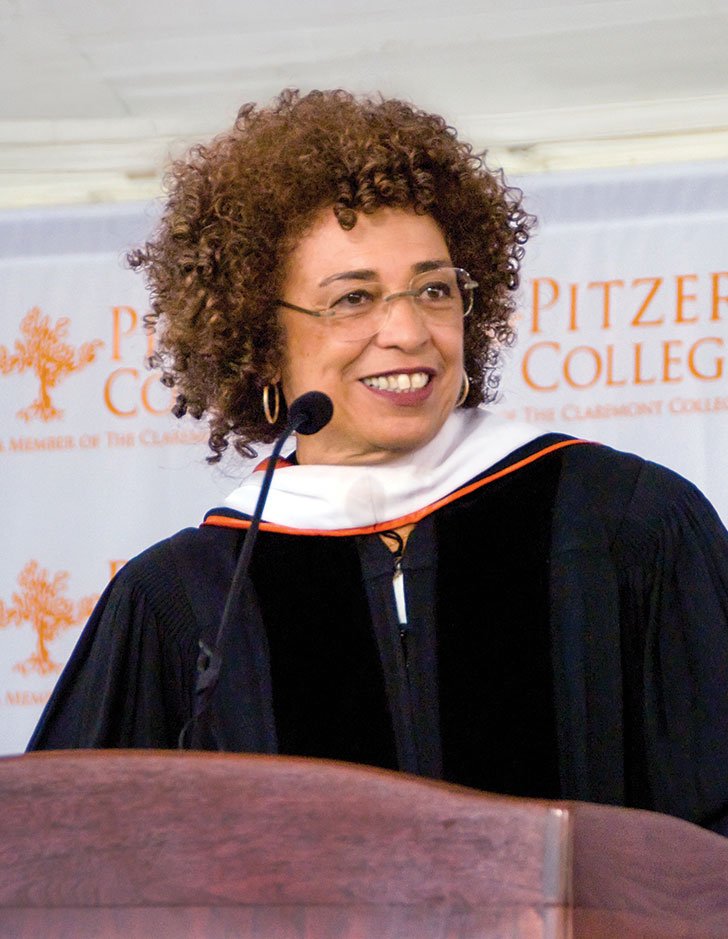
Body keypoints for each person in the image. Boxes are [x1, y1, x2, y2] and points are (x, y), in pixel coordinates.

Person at [28, 89, 728, 836]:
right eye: (353, 298)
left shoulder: (623, 520)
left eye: (433, 289)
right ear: (262, 341)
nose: (406, 330)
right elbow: (62, 861)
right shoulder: (190, 599)